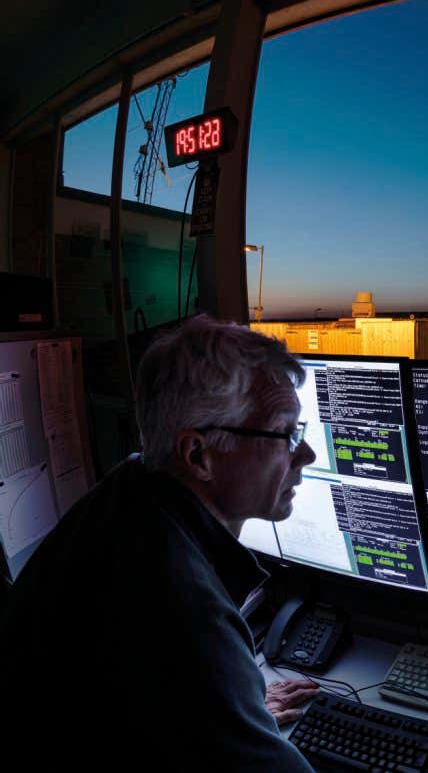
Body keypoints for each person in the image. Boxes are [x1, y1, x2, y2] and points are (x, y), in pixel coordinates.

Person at [0, 316, 321, 769]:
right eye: (285, 434)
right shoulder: (179, 605)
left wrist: (232, 710)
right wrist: (222, 704)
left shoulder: (130, 489)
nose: (305, 454)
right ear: (198, 455)